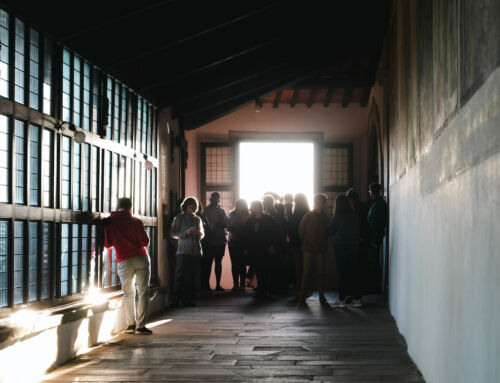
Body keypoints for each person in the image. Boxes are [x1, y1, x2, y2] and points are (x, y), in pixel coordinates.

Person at [104, 197, 152, 335]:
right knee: (143, 291)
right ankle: (141, 326)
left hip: (124, 260)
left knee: (128, 293)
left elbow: (108, 244)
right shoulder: (136, 221)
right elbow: (145, 242)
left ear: (117, 207)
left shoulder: (110, 222)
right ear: (130, 207)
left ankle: (130, 325)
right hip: (140, 258)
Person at [328, 195, 361, 308]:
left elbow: (330, 229)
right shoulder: (354, 216)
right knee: (354, 273)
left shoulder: (338, 216)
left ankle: (342, 300)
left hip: (341, 247)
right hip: (354, 247)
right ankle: (357, 299)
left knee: (342, 274)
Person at [171, 197, 204, 307]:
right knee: (180, 275)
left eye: (194, 208)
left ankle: (188, 299)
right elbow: (172, 233)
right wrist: (185, 233)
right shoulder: (179, 218)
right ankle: (175, 300)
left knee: (191, 276)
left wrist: (198, 233)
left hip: (195, 250)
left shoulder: (197, 219)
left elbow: (202, 234)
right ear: (185, 207)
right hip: (183, 250)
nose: (191, 210)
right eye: (189, 207)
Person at [297, 193, 330, 303]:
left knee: (321, 272)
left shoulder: (326, 218)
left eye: (321, 203)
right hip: (308, 248)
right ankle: (303, 294)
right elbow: (301, 231)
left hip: (320, 249)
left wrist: (324, 245)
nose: (319, 204)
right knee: (306, 272)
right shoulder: (308, 216)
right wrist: (306, 242)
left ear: (324, 204)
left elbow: (329, 233)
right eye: (317, 202)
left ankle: (321, 294)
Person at [242, 200, 279, 299]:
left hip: (265, 248)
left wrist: (272, 245)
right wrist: (245, 247)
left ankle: (264, 290)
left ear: (258, 207)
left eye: (252, 207)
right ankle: (260, 290)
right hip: (254, 249)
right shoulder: (250, 221)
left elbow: (274, 233)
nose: (251, 209)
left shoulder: (269, 219)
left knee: (265, 269)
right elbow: (246, 235)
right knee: (257, 269)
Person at [203, 192, 228, 291]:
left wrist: (220, 223)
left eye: (218, 198)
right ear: (211, 199)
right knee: (208, 264)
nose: (217, 200)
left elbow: (226, 224)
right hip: (209, 240)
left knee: (218, 263)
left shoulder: (221, 211)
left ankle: (218, 284)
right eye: (215, 198)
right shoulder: (206, 211)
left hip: (220, 240)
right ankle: (207, 285)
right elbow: (204, 225)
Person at [287, 193, 310, 291]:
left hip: (296, 242)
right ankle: (305, 287)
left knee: (297, 266)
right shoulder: (307, 213)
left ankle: (299, 286)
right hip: (306, 242)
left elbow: (291, 227)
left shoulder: (296, 214)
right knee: (305, 266)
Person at [367, 182, 387, 293]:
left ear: (372, 192)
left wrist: (372, 238)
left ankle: (375, 286)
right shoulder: (378, 203)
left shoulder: (378, 204)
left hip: (374, 238)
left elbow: (376, 223)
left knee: (373, 262)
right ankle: (375, 285)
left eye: (370, 191)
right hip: (374, 237)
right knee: (373, 261)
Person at [227, 199, 250, 291]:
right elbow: (227, 226)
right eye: (238, 204)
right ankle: (236, 284)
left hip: (243, 242)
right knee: (235, 264)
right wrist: (230, 228)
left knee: (242, 264)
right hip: (233, 242)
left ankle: (242, 284)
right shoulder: (231, 214)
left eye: (241, 204)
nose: (240, 206)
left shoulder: (248, 215)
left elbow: (249, 230)